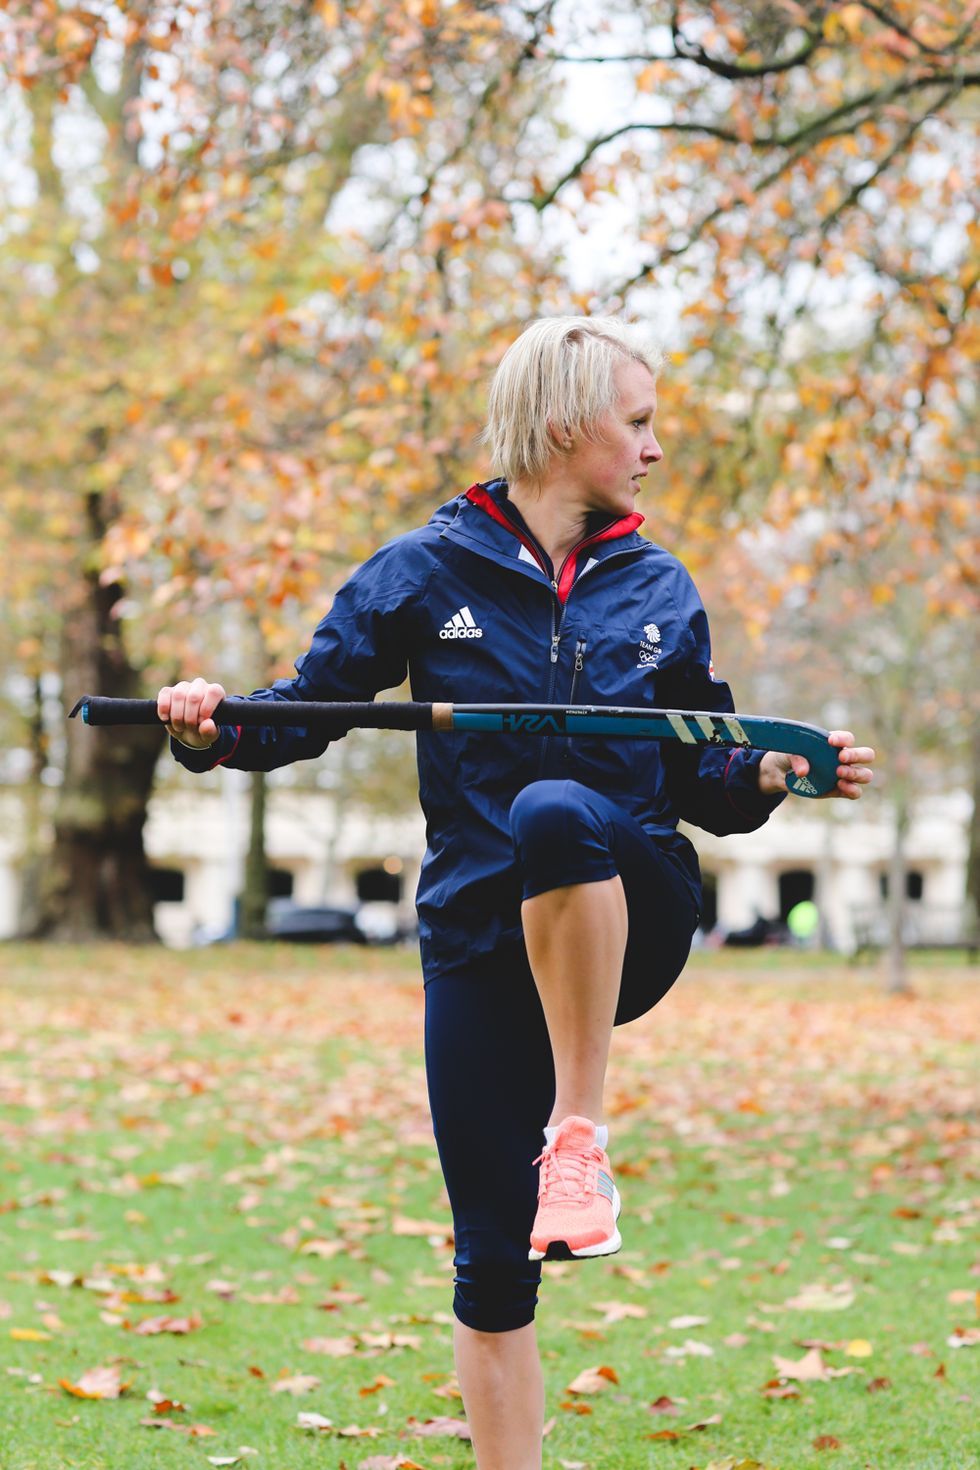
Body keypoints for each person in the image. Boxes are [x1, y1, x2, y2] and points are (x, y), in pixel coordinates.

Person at [157, 316, 875, 1470]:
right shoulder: (421, 570)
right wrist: (206, 728)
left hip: (630, 908)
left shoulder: (654, 583)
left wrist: (775, 772)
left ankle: (577, 1130)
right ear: (559, 424)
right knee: (491, 1264)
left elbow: (705, 772)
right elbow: (305, 709)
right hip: (481, 938)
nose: (651, 448)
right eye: (634, 423)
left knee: (553, 807)